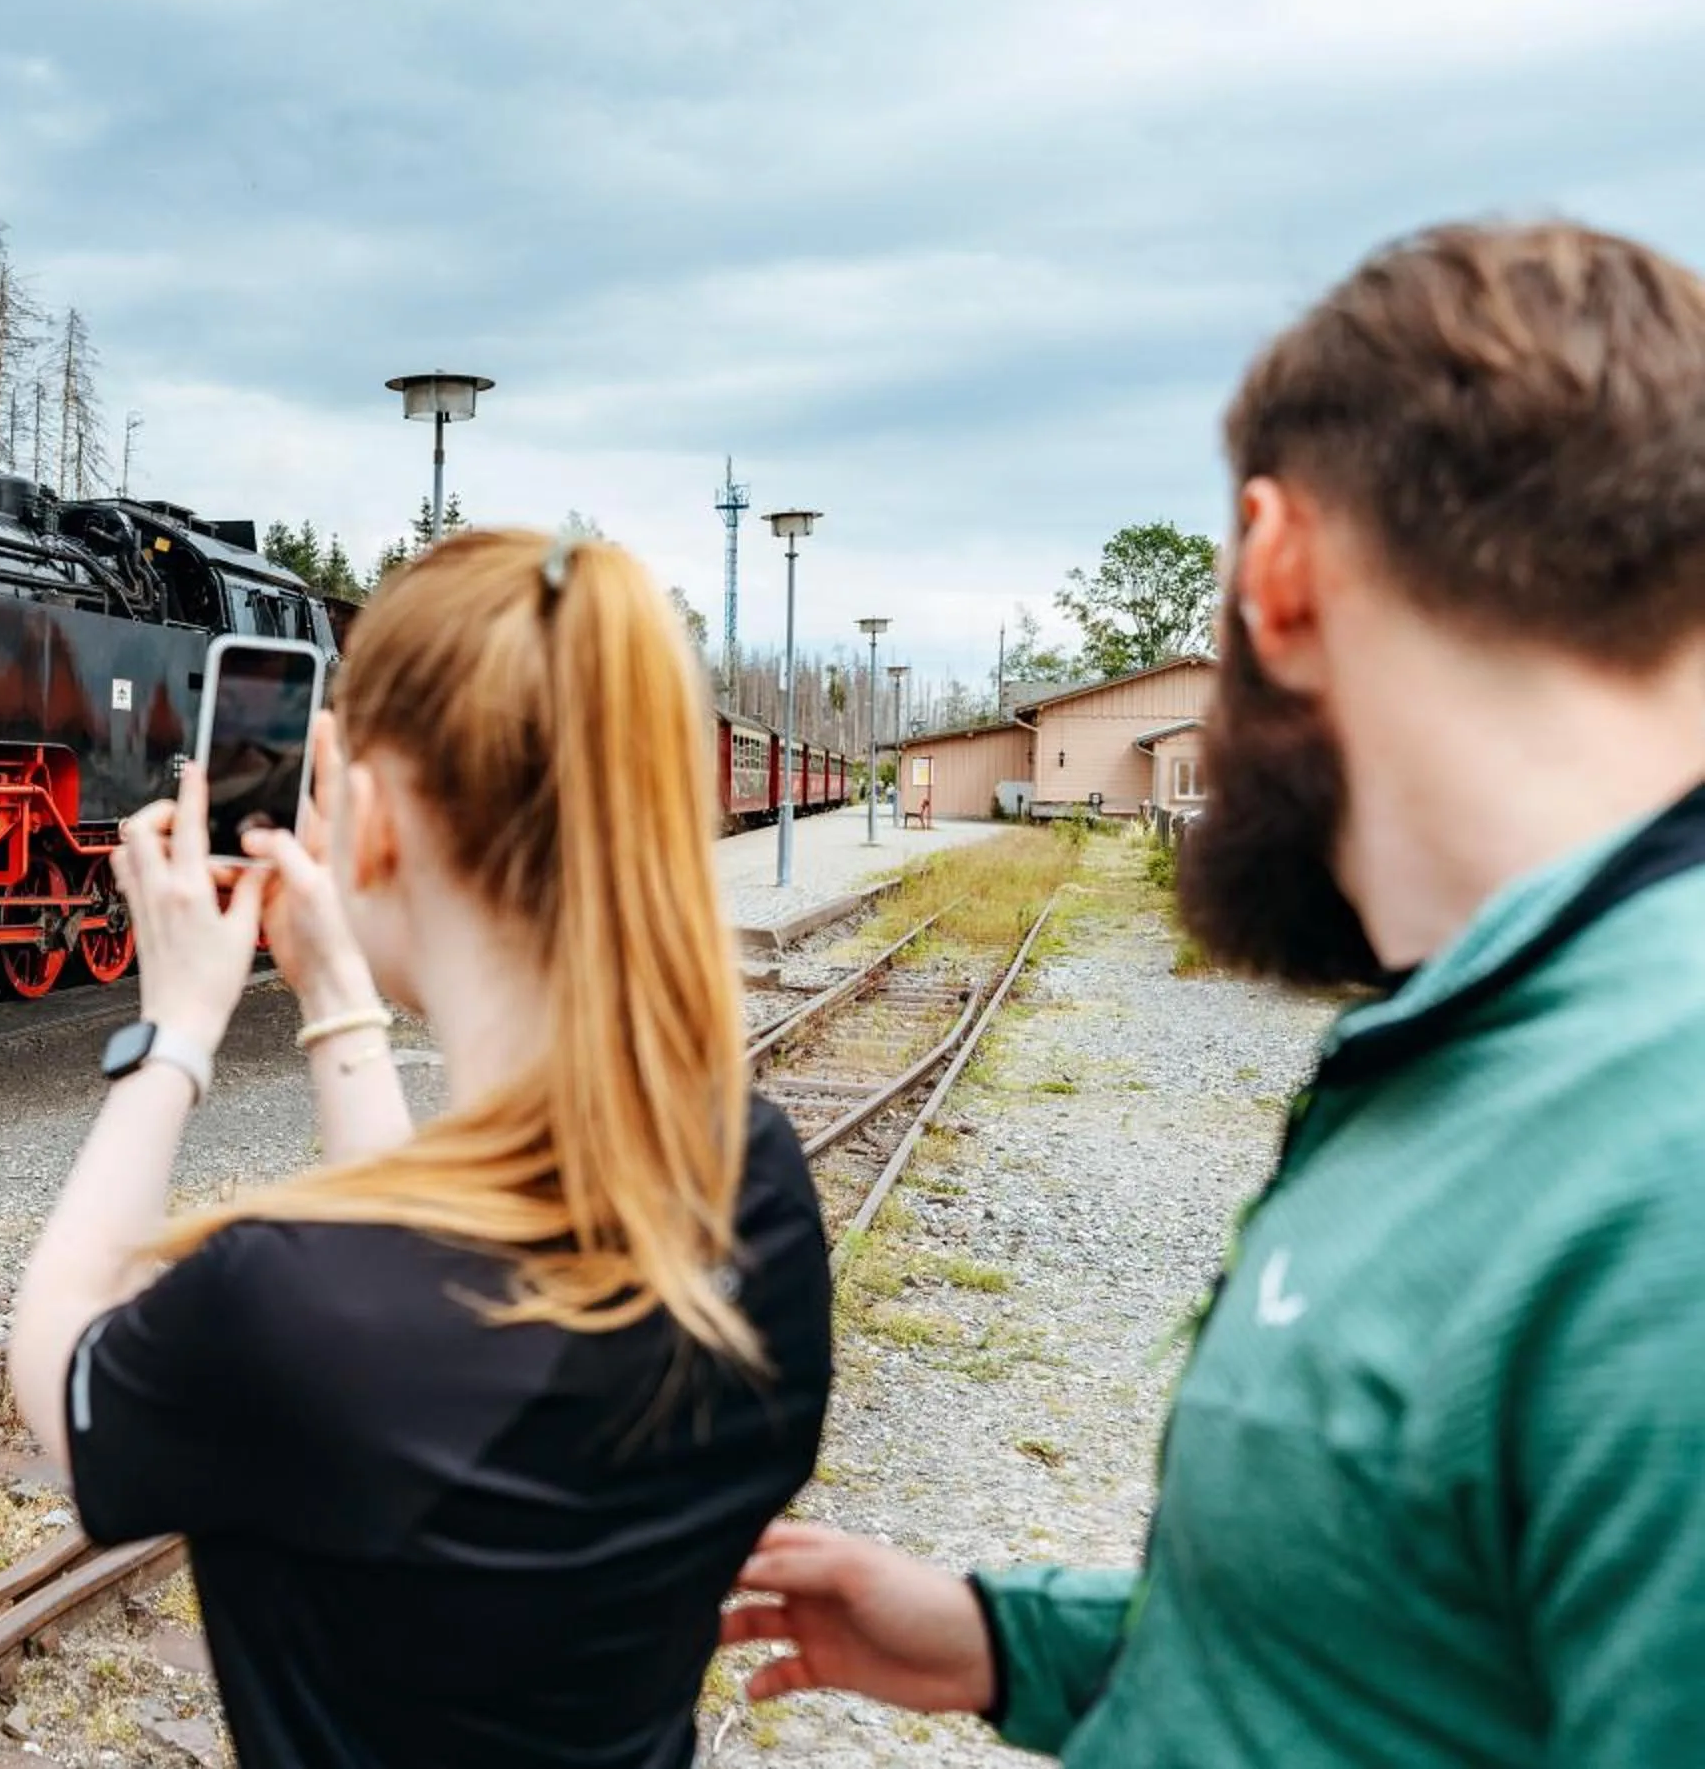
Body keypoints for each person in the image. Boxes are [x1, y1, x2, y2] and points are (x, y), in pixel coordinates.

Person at [718, 220, 1705, 1763]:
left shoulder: (1659, 1161)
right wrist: (1012, 1640)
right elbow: (1407, 1652)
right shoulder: (1506, 1033)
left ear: (1280, 563)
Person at [8, 528, 834, 1767]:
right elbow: (431, 1269)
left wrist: (172, 1036)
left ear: (374, 815)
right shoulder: (753, 1192)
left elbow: (61, 1371)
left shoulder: (288, 1302)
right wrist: (340, 1012)